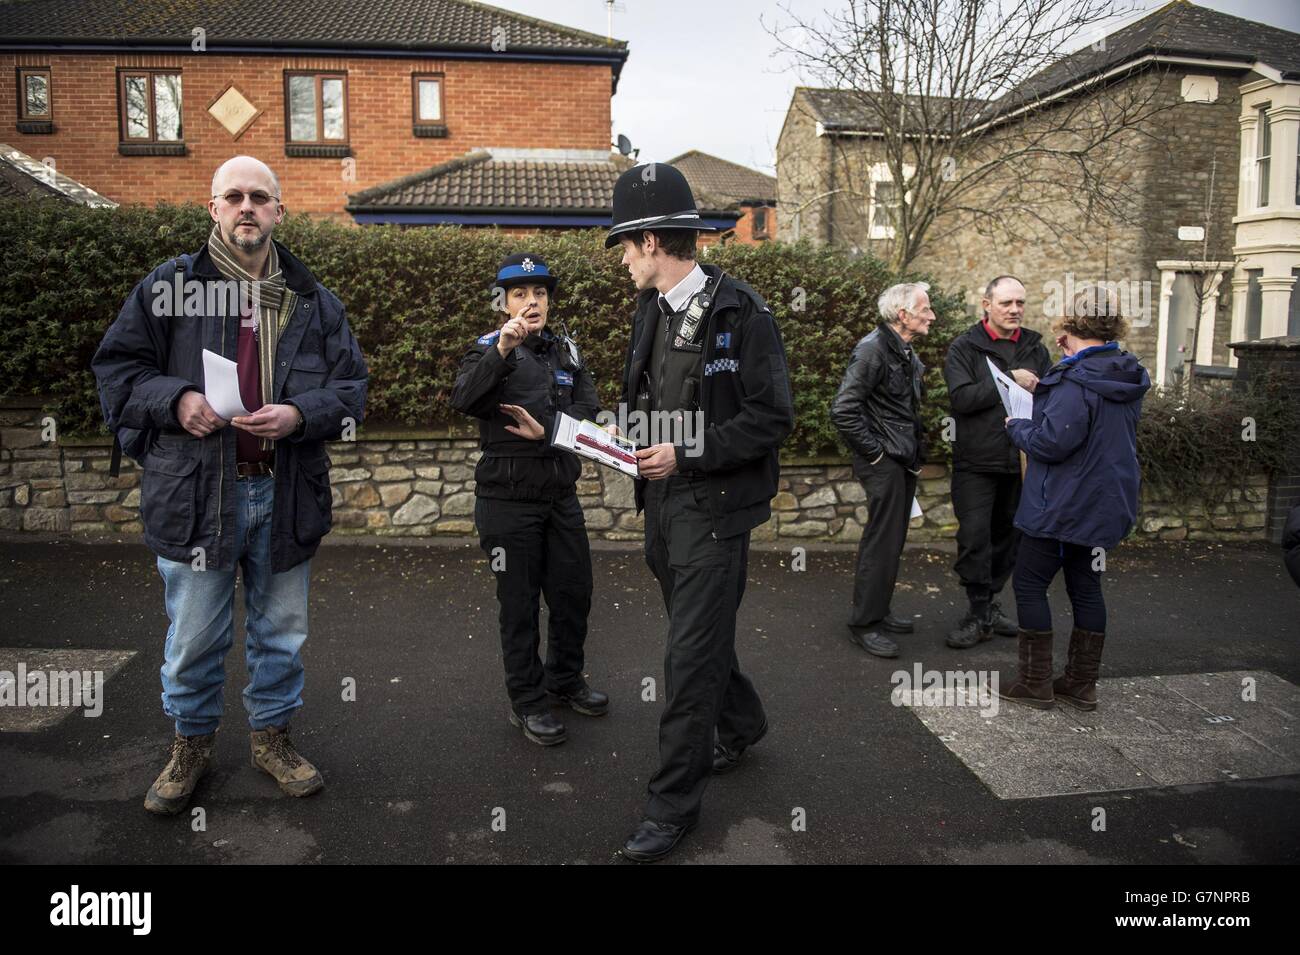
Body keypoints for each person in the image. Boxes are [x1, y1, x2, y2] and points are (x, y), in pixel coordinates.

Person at [91, 155, 368, 814]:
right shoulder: (170, 288)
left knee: (282, 633)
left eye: (260, 197)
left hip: (285, 491)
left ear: (278, 211)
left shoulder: (314, 301)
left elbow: (354, 390)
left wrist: (301, 414)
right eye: (234, 196)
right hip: (196, 498)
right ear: (213, 208)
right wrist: (177, 399)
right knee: (193, 638)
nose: (247, 207)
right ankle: (191, 744)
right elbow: (118, 370)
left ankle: (273, 739)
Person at [609, 163, 794, 862]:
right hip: (661, 507)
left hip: (715, 512)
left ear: (653, 240)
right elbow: (649, 403)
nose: (624, 259)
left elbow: (772, 418)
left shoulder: (742, 311)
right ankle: (742, 720)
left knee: (687, 661)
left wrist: (684, 455)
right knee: (704, 636)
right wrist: (612, 437)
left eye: (626, 245)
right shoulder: (649, 309)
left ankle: (670, 808)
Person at [450, 252, 608, 746]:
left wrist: (549, 433)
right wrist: (501, 351)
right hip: (507, 499)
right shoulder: (487, 349)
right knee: (518, 605)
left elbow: (587, 409)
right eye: (520, 293)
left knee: (573, 593)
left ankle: (564, 681)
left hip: (560, 492)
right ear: (504, 302)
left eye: (539, 292)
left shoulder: (568, 351)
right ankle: (528, 701)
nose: (532, 301)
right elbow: (465, 400)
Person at [999, 288, 1150, 710]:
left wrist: (1017, 426)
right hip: (1107, 502)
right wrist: (1045, 382)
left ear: (1069, 326)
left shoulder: (1072, 379)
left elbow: (1051, 443)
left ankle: (1034, 683)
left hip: (1062, 503)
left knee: (1029, 582)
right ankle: (1082, 685)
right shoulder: (1127, 372)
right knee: (1086, 585)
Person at [942, 275, 1051, 648]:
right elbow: (962, 399)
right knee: (975, 538)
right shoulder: (965, 347)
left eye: (1020, 303)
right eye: (1007, 303)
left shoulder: (1036, 347)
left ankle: (990, 604)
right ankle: (976, 611)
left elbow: (1050, 399)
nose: (1015, 310)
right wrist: (1010, 379)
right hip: (976, 460)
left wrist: (1043, 389)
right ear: (986, 304)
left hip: (1021, 460)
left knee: (1010, 538)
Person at [831, 282, 933, 658]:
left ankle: (880, 611)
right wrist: (875, 456)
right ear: (903, 315)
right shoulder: (872, 349)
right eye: (925, 309)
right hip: (885, 462)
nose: (931, 316)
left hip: (901, 460)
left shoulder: (902, 350)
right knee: (881, 541)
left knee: (893, 540)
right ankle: (864, 624)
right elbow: (843, 409)